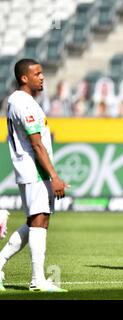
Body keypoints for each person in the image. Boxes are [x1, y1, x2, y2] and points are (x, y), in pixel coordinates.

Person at [0, 59, 68, 292]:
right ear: (24, 78)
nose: (42, 77)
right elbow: (36, 144)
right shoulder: (24, 104)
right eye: (37, 73)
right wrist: (54, 177)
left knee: (36, 221)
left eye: (42, 73)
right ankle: (37, 280)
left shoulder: (20, 101)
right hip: (34, 170)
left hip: (31, 170)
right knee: (39, 220)